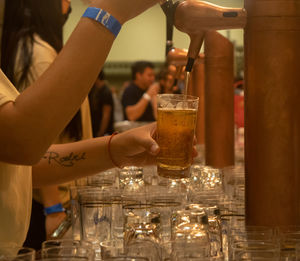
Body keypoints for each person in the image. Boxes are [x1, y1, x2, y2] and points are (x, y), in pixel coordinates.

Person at [0, 0, 162, 249]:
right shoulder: (37, 52)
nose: (67, 5)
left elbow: (17, 164)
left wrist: (117, 148)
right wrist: (110, 11)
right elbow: (23, 143)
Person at [1, 0, 94, 249]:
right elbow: (38, 135)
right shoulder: (38, 55)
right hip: (48, 200)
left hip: (48, 194)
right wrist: (53, 209)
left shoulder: (32, 48)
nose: (68, 4)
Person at [89, 70, 114, 137]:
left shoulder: (105, 92)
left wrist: (100, 133)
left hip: (104, 134)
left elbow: (106, 115)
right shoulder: (96, 90)